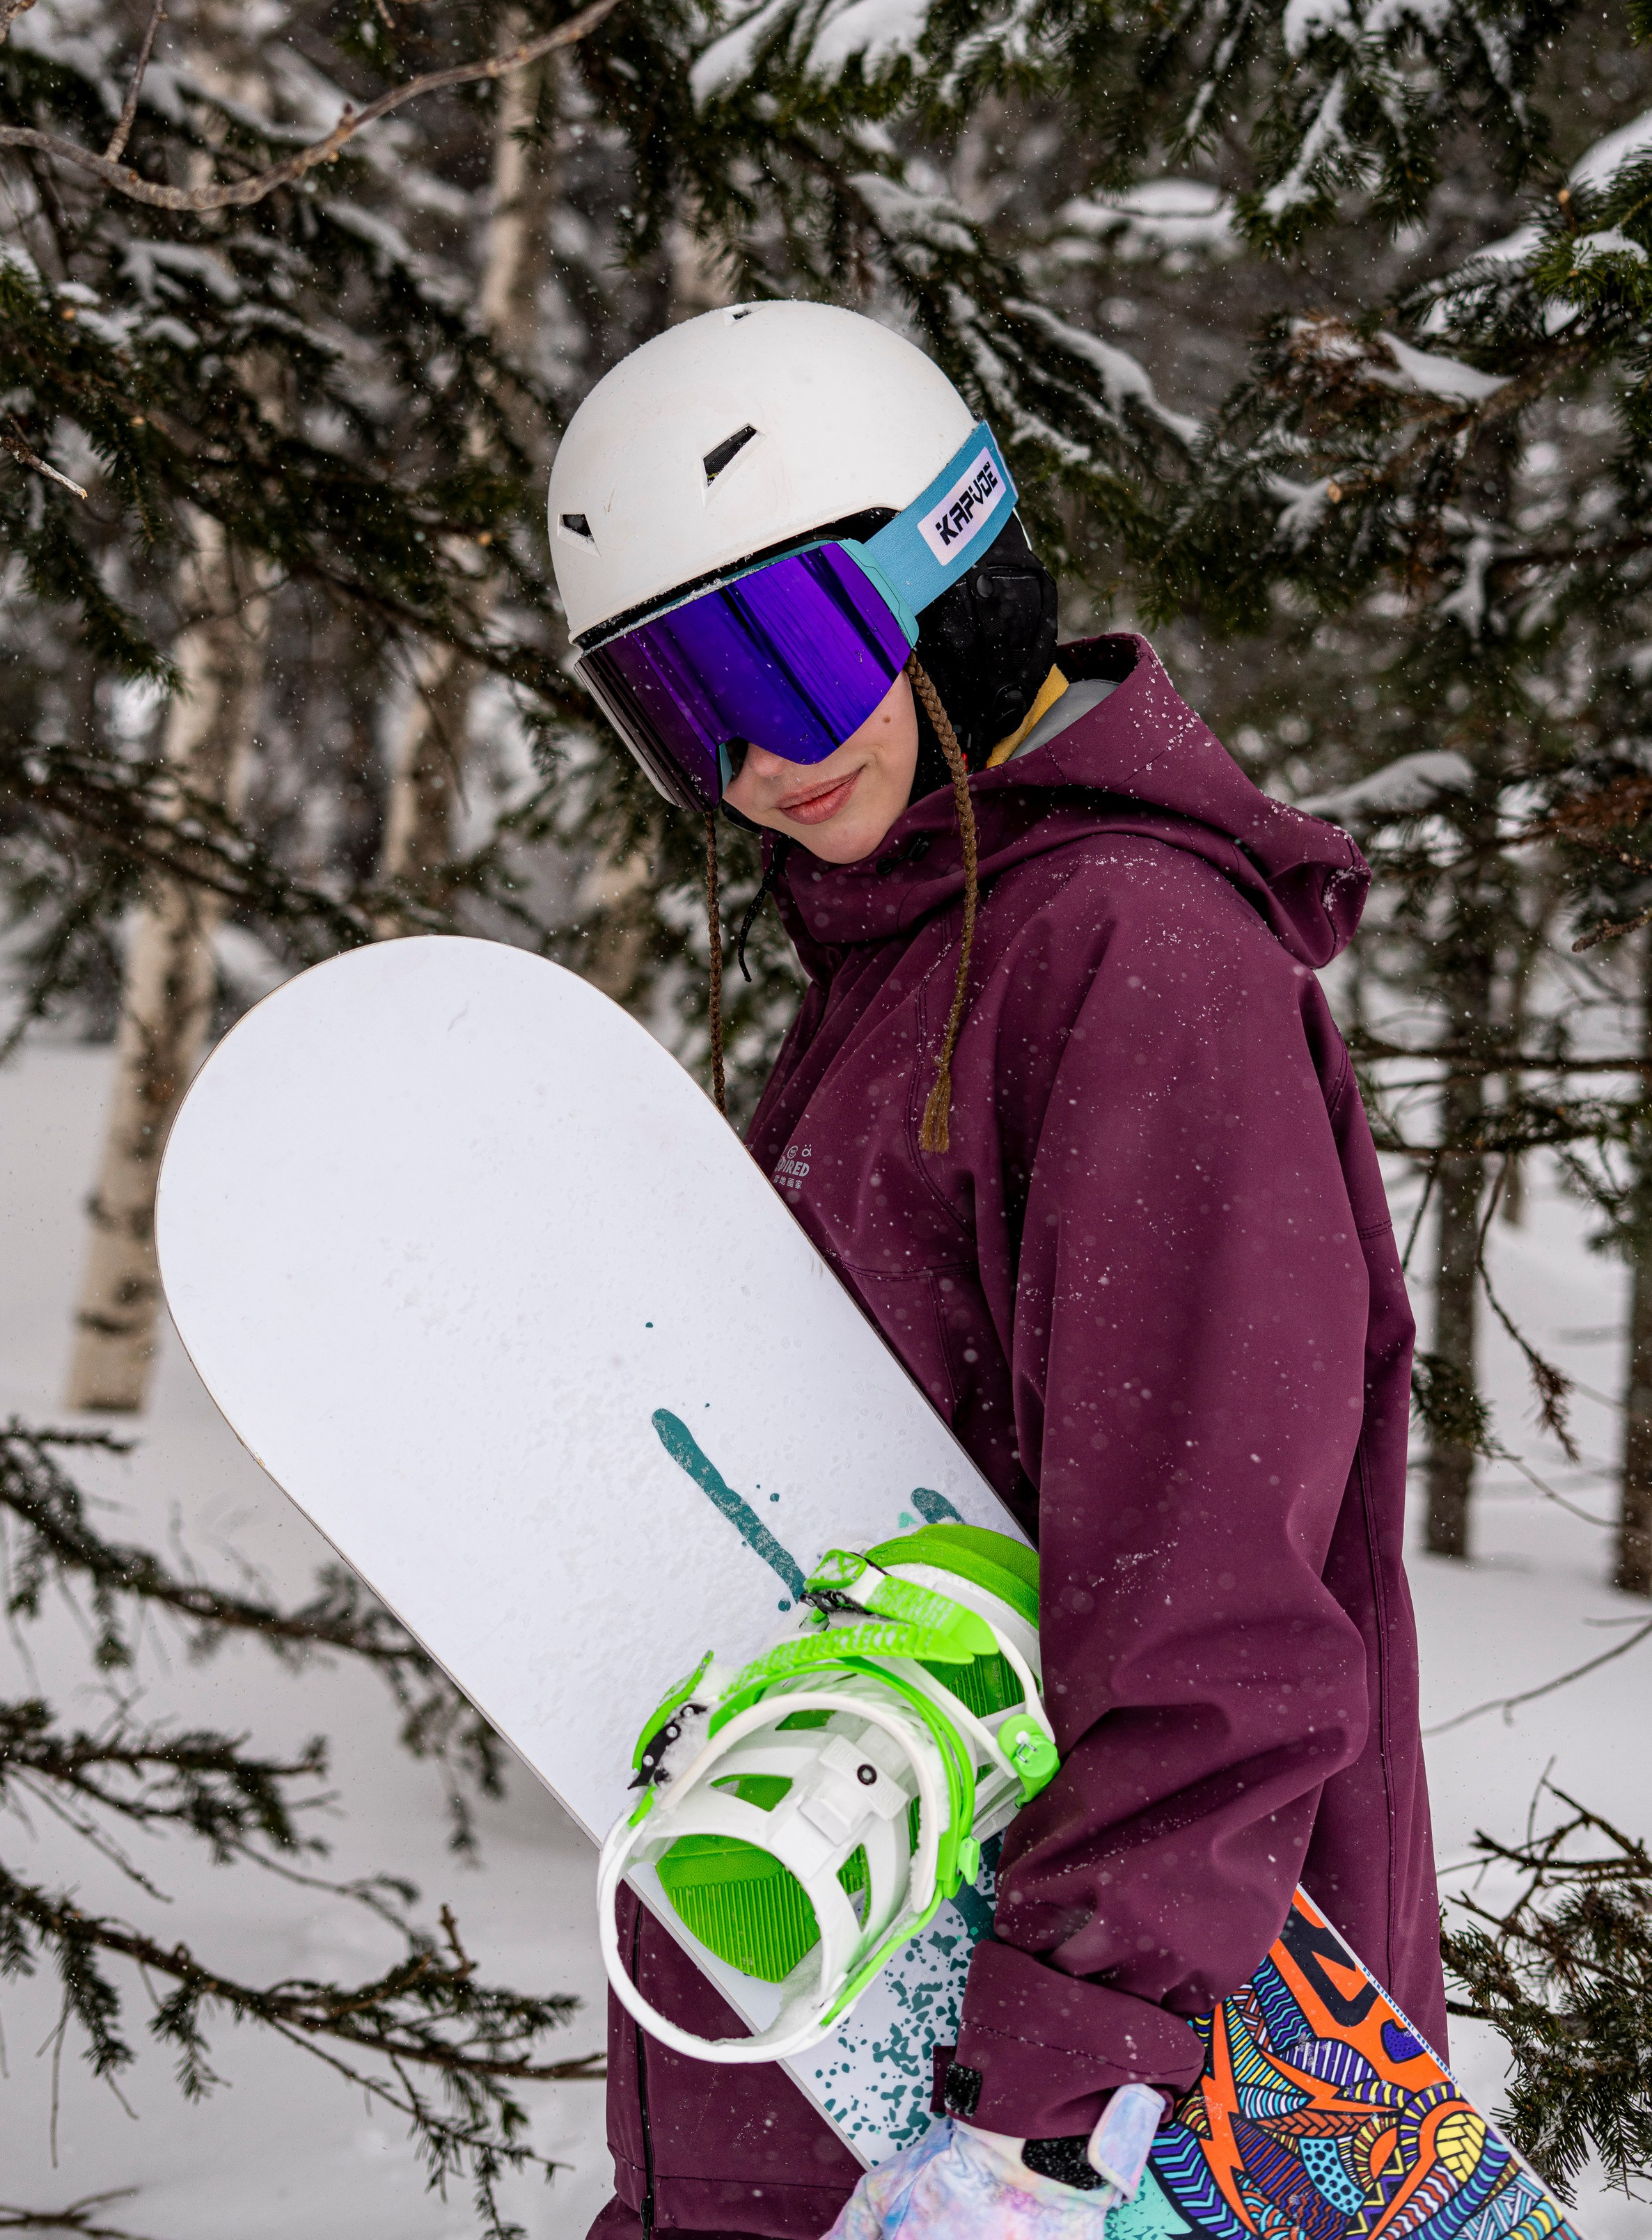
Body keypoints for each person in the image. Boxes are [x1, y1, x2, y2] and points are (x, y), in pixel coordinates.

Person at [548, 301, 1442, 2240]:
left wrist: (1054, 2120)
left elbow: (1207, 1588)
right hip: (840, 2068)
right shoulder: (916, 955)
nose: (758, 760)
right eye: (681, 703)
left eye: (780, 658)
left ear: (951, 570)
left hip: (1053, 2113)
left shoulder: (1131, 963)